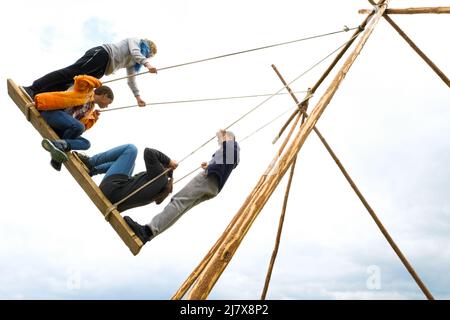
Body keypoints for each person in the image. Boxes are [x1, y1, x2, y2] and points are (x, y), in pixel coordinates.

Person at [123, 129, 240, 245]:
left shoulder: (232, 146)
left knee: (177, 202)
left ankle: (147, 231)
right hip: (214, 186)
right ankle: (149, 234)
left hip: (209, 179)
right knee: (181, 208)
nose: (219, 142)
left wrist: (224, 136)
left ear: (229, 138)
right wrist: (209, 165)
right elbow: (227, 163)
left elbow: (230, 155)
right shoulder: (232, 151)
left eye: (221, 140)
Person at [21, 38, 157, 107]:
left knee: (72, 84)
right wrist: (147, 64)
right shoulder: (135, 42)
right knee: (71, 73)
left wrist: (137, 97)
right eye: (149, 54)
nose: (147, 56)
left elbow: (131, 79)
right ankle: (33, 88)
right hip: (103, 54)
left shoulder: (134, 62)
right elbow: (135, 52)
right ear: (147, 48)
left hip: (104, 68)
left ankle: (41, 97)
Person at [36, 75, 114, 171]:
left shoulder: (90, 108)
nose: (106, 106)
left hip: (62, 126)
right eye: (108, 102)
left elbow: (81, 128)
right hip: (52, 113)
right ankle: (57, 154)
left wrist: (93, 119)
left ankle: (59, 146)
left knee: (86, 143)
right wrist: (97, 83)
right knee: (78, 127)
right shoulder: (86, 91)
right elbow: (80, 79)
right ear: (104, 95)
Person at [76, 144, 178, 212]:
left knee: (131, 149)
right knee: (131, 164)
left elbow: (149, 152)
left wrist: (169, 161)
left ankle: (90, 163)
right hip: (115, 200)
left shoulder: (159, 176)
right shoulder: (160, 187)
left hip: (112, 190)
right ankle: (93, 170)